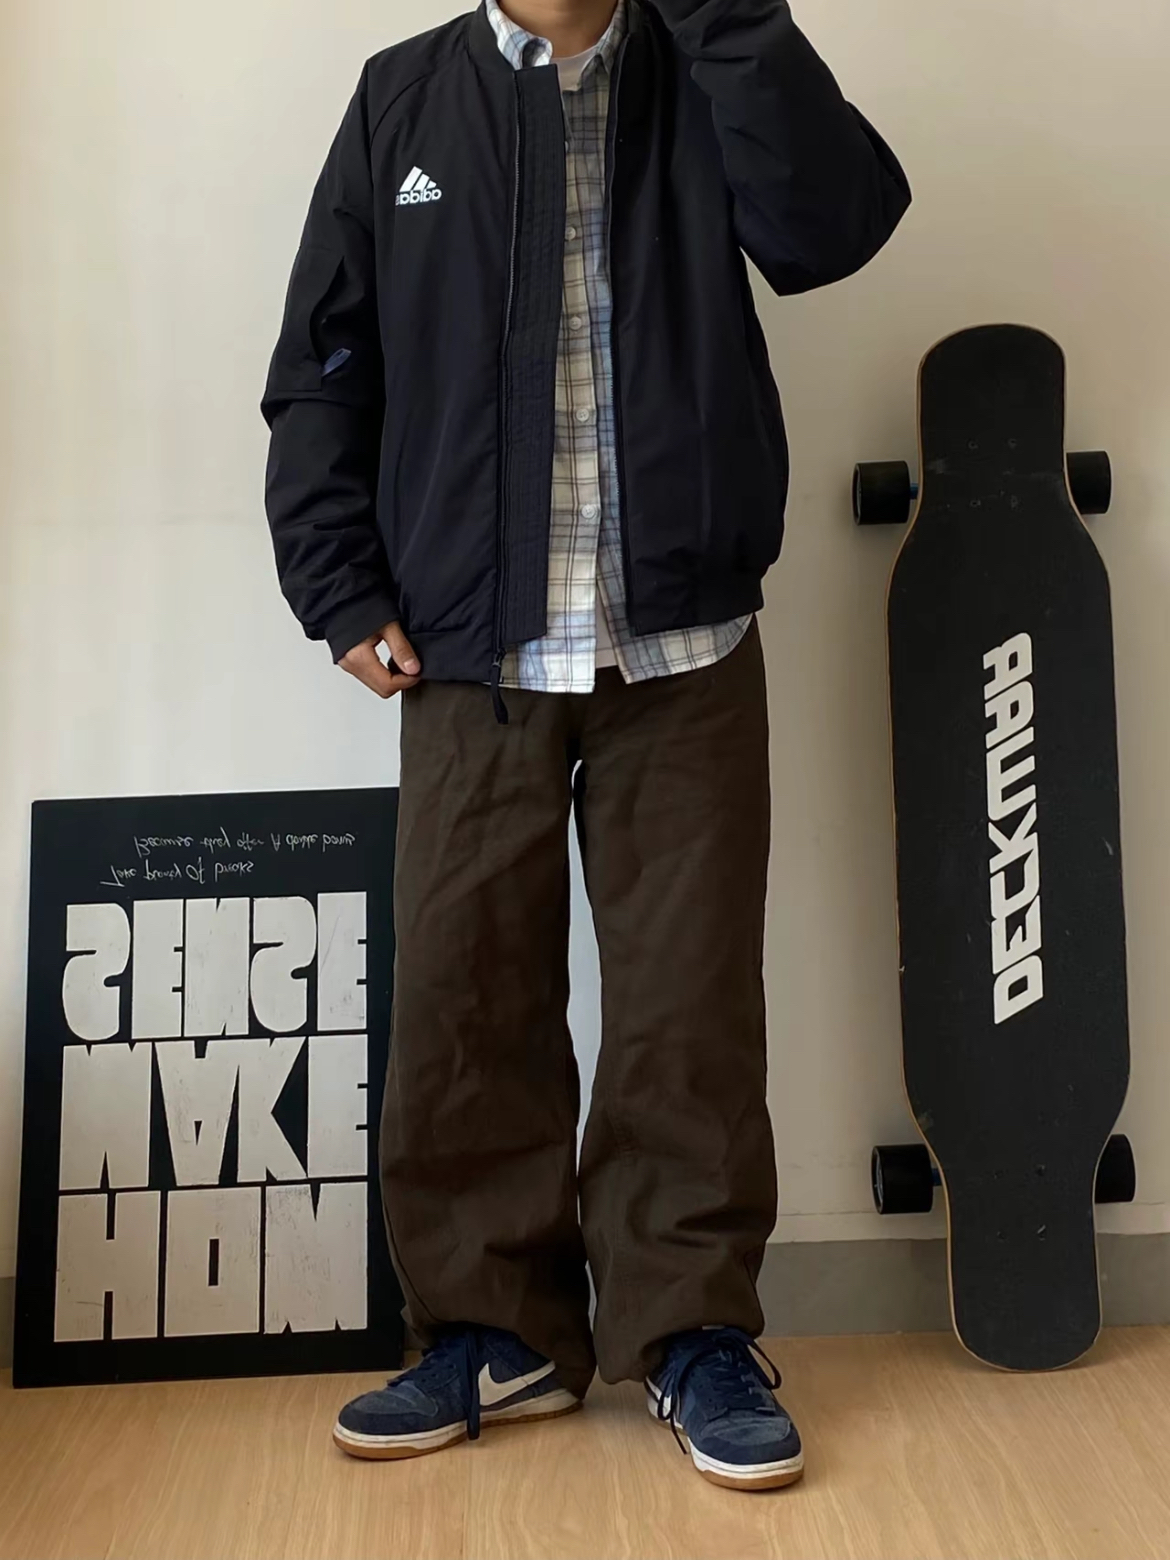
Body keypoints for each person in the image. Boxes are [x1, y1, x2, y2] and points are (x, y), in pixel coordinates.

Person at [262, 0, 908, 1491]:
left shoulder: (703, 57)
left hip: (683, 640)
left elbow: (831, 227)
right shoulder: (401, 99)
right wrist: (337, 583)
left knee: (688, 1009)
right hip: (464, 646)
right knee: (461, 992)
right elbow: (324, 360)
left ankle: (691, 1330)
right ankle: (494, 1332)